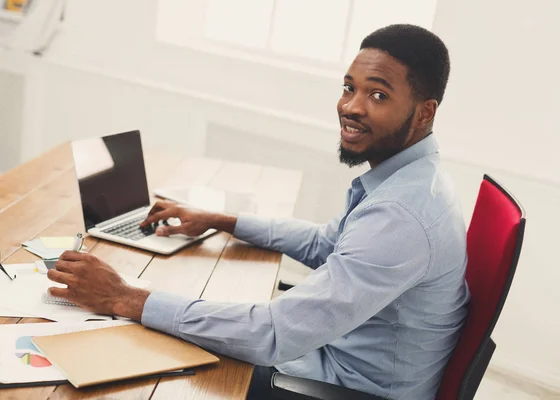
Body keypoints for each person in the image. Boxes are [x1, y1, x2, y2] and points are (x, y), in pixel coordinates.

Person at [47, 24, 470, 400]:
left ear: (424, 112)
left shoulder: (401, 215)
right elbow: (326, 243)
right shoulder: (411, 179)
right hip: (333, 359)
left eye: (378, 94)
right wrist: (220, 221)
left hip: (339, 386)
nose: (351, 106)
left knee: (144, 376)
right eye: (348, 87)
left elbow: (273, 335)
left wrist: (125, 297)